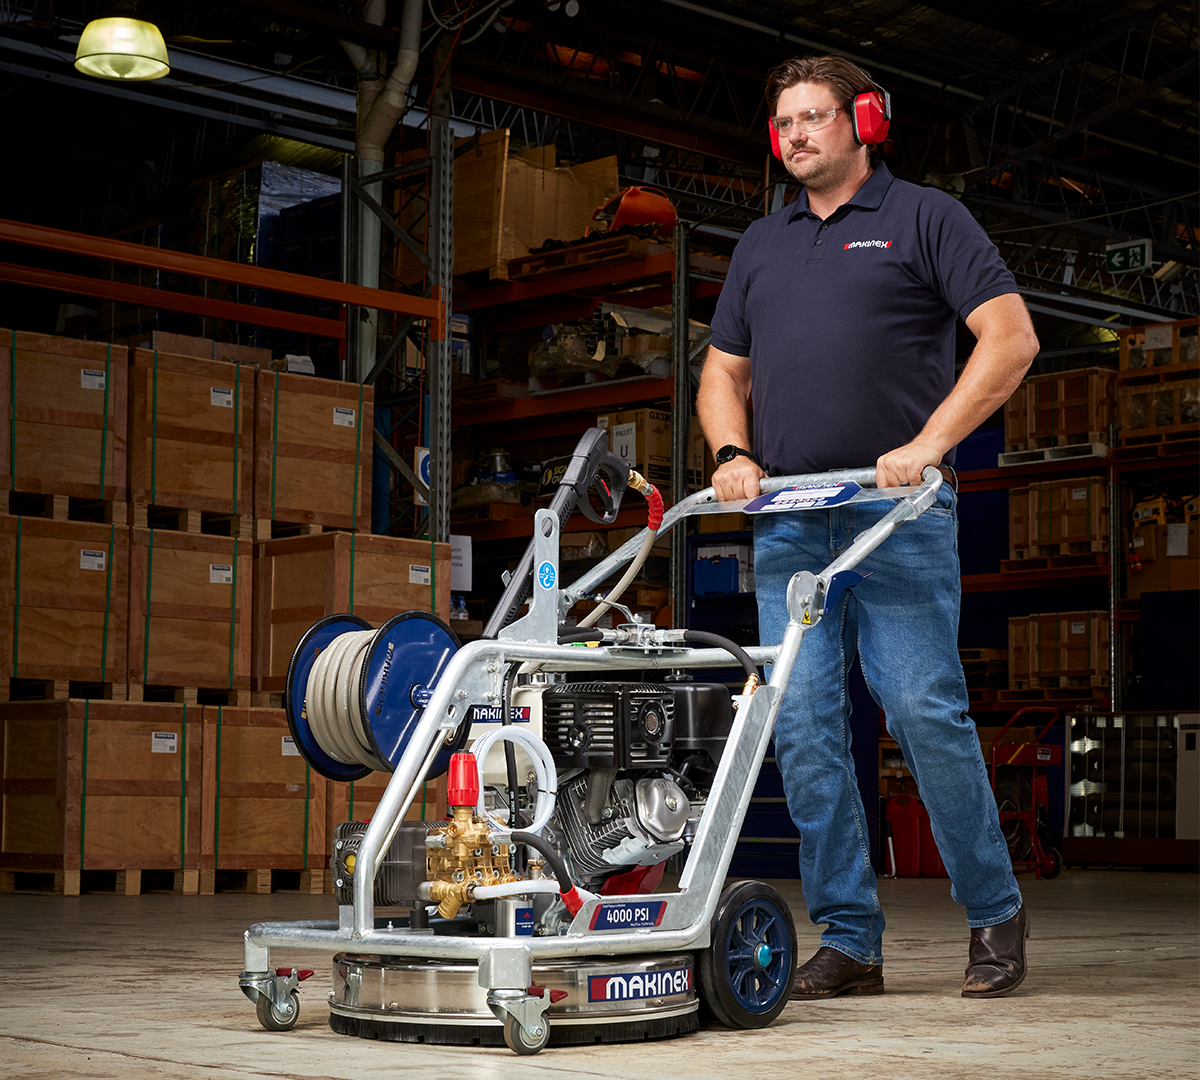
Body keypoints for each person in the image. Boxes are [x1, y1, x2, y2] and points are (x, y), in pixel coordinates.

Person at [697, 54, 1040, 1000]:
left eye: (815, 117)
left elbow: (1011, 337)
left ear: (865, 124)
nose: (797, 134)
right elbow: (723, 373)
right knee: (804, 731)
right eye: (785, 123)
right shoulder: (761, 247)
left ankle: (993, 915)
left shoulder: (925, 218)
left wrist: (930, 443)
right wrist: (732, 456)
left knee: (923, 710)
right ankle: (850, 939)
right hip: (791, 520)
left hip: (898, 516)